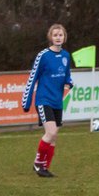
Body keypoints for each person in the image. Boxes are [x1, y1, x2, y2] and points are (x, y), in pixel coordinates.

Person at [21, 23, 73, 177]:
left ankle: (45, 168)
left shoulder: (66, 56)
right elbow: (33, 78)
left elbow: (67, 75)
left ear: (64, 37)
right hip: (44, 100)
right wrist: (26, 101)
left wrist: (69, 83)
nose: (58, 37)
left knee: (54, 135)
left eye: (60, 35)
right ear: (50, 37)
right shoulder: (43, 55)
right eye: (55, 35)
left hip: (57, 101)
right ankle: (38, 164)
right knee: (50, 132)